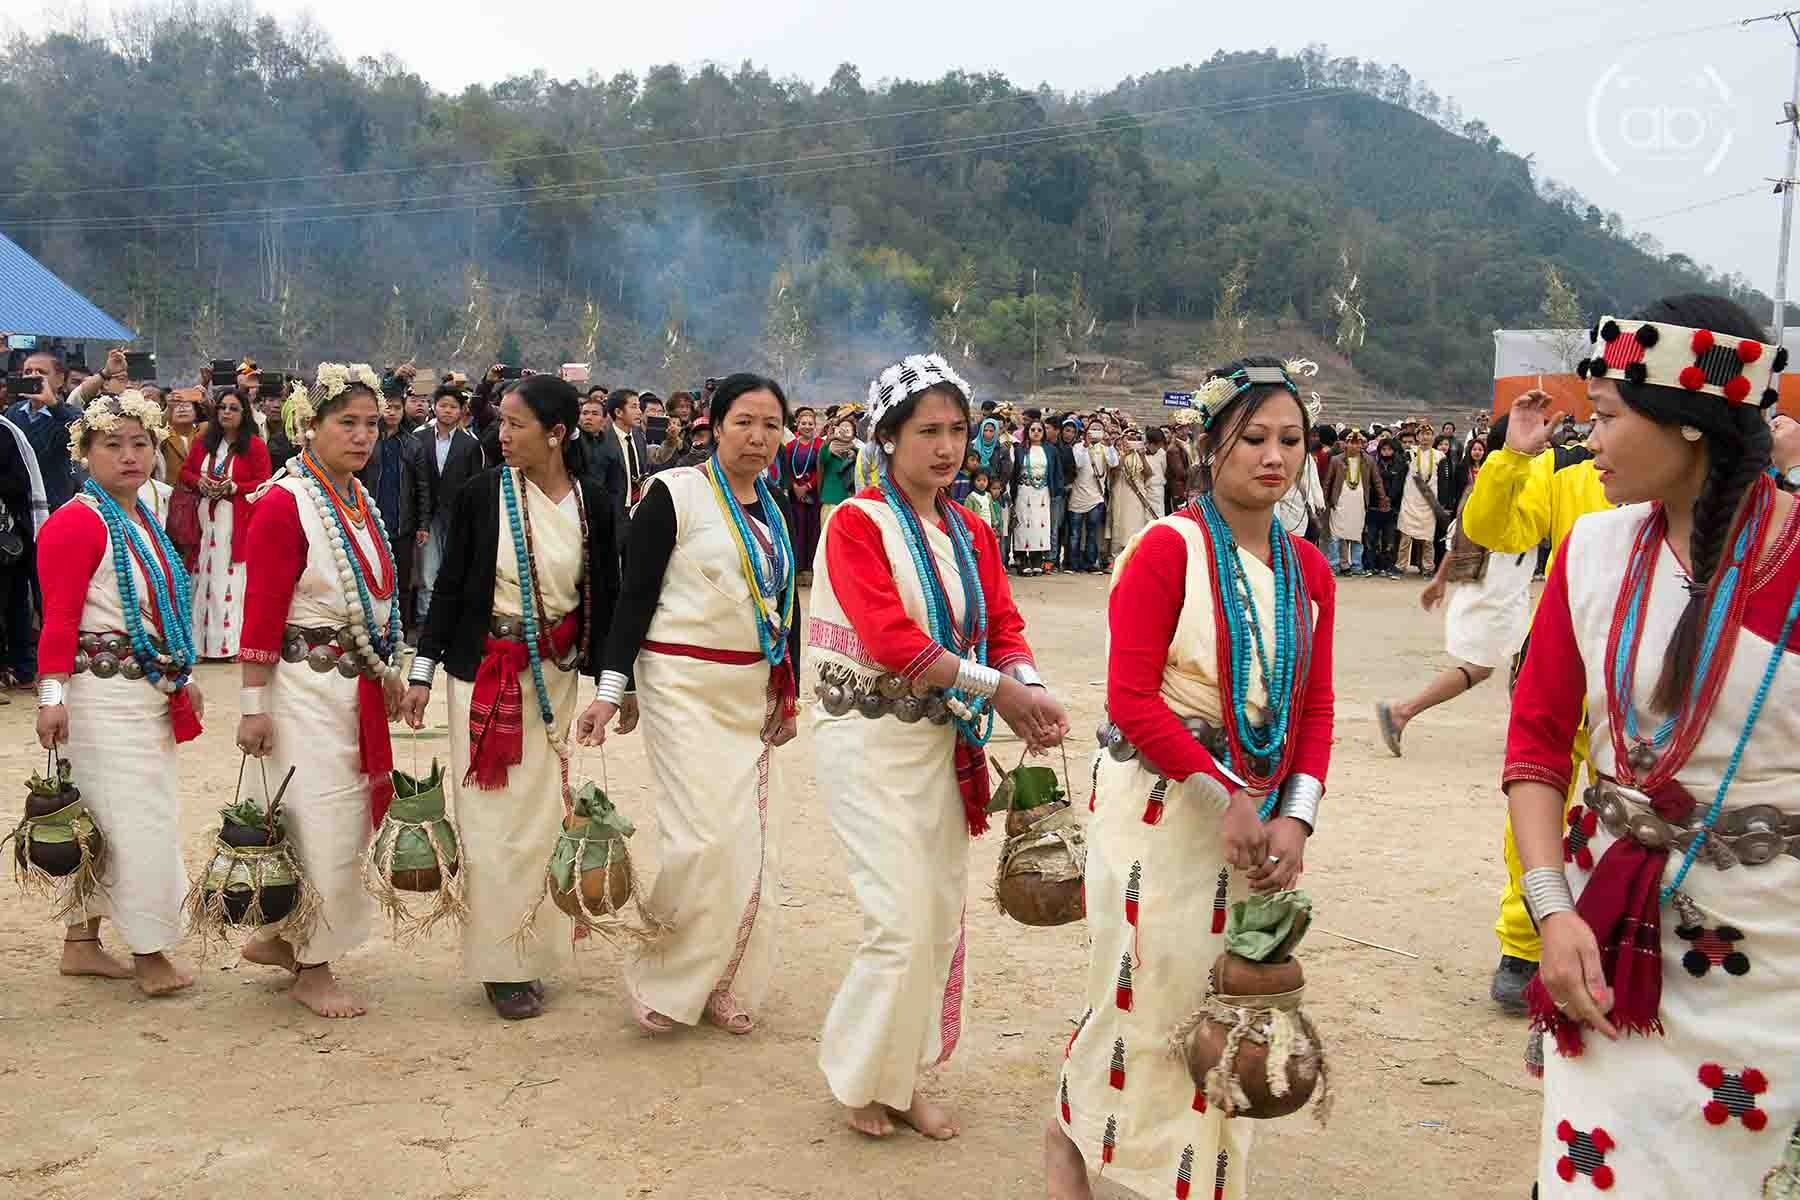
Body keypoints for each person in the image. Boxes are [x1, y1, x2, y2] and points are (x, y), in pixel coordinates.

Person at [1502, 296, 1800, 1198]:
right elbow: (1538, 747)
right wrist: (1553, 912)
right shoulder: (1592, 549)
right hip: (1611, 943)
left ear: (1691, 426)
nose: (1586, 440)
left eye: (1605, 417)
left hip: (1778, 957)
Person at [1045, 357, 1334, 1200]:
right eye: (1254, 439)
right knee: (1144, 987)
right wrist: (1225, 796)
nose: (1273, 457)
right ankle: (1072, 1131)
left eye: (1290, 440)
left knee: (1225, 1005)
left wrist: (1297, 819)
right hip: (1161, 810)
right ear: (1212, 446)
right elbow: (1132, 701)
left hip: (1258, 817)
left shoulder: (1310, 570)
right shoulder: (1165, 549)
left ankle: (1197, 1181)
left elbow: (1313, 713)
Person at [810, 353, 1068, 1140]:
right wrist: (1003, 692)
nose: (947, 446)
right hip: (863, 738)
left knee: (939, 915)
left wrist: (1026, 684)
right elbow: (891, 639)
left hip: (939, 740)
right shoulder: (858, 522)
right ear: (887, 439)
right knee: (897, 917)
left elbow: (1004, 621)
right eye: (928, 431)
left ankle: (905, 1074)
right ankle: (861, 1077)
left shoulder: (974, 529)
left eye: (958, 430)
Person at [576, 373, 800, 1037]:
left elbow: (782, 607)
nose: (759, 437)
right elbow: (633, 596)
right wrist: (612, 689)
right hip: (681, 686)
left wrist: (786, 692)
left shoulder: (776, 509)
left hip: (749, 692)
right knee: (699, 843)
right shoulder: (674, 495)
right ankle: (664, 977)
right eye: (744, 422)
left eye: (770, 424)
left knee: (750, 846)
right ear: (713, 425)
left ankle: (722, 980)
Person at [401, 375, 620, 1020]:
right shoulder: (478, 496)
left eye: (517, 425)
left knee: (540, 819)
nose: (503, 435)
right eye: (500, 423)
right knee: (491, 818)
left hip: (553, 673)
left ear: (556, 434)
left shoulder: (595, 506)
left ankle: (537, 950)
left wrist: (612, 687)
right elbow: (447, 591)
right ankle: (502, 964)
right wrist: (421, 671)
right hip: (483, 675)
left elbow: (606, 599)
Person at [235, 363, 402, 1019]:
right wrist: (253, 709)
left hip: (352, 682)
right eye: (347, 424)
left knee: (341, 816)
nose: (362, 437)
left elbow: (376, 603)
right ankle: (313, 965)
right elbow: (262, 612)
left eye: (371, 425)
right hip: (302, 688)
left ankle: (280, 937)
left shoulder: (358, 501)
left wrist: (387, 670)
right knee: (321, 820)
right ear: (310, 425)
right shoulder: (285, 501)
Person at [34, 388, 203, 996]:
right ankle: (150, 950)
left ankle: (81, 942)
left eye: (141, 443)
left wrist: (183, 678)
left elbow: (165, 613)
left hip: (145, 692)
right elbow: (58, 617)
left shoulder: (141, 518)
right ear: (85, 452)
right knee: (136, 821)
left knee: (109, 817)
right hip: (100, 698)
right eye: (113, 444)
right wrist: (51, 694)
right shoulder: (75, 522)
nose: (130, 455)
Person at [1462, 387, 1611, 1011]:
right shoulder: (1569, 470)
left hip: (1660, 680)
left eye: (1612, 417)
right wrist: (1512, 458)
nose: (1599, 435)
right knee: (1536, 799)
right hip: (1563, 664)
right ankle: (1524, 944)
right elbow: (1493, 528)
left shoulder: (1733, 492)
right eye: (1600, 417)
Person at [1376, 419, 1532, 756]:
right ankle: (1402, 711)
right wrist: (1440, 579)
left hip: (1509, 583)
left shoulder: (1515, 477)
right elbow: (1464, 532)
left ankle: (1522, 731)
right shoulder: (1496, 482)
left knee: (1521, 659)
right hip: (1498, 585)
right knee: (1482, 666)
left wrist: (1439, 580)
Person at [181, 387, 271, 661]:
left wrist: (234, 487)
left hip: (235, 524)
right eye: (222, 408)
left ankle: (231, 647)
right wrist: (200, 482)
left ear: (244, 413)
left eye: (233, 408)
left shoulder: (254, 446)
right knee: (201, 579)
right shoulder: (203, 442)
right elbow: (186, 471)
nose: (226, 413)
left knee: (229, 581)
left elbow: (264, 482)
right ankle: (198, 646)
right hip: (204, 521)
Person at [408, 385, 484, 627]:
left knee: (452, 569)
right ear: (434, 406)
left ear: (461, 411)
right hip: (426, 514)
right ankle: (425, 623)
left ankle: (449, 623)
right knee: (428, 571)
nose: (448, 411)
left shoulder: (470, 443)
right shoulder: (419, 437)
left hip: (456, 514)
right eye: (443, 405)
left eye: (453, 407)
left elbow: (475, 482)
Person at [361, 378, 415, 638]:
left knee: (402, 581)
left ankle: (398, 631)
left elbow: (422, 486)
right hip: (372, 516)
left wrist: (423, 524)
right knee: (372, 575)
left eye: (397, 408)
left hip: (402, 521)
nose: (392, 412)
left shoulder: (412, 444)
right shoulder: (370, 441)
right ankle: (372, 627)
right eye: (388, 407)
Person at [6, 349, 83, 511]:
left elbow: (78, 434)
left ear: (60, 379)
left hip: (55, 502)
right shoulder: (14, 412)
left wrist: (52, 404)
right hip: (20, 503)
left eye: (41, 372)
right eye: (28, 372)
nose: (33, 376)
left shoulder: (70, 413)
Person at [1323, 427, 1382, 576]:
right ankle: (1334, 566)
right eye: (1352, 443)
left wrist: (1383, 497)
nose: (1355, 446)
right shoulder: (1336, 460)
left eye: (1358, 443)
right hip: (1340, 501)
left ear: (1362, 444)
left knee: (1357, 535)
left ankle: (1356, 565)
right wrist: (1324, 500)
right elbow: (1328, 481)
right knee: (1336, 535)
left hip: (1359, 502)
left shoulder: (1369, 460)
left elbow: (1377, 481)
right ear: (1346, 444)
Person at [783, 406, 826, 584]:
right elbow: (786, 468)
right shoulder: (790, 446)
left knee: (813, 530)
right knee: (797, 529)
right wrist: (794, 486)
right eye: (804, 423)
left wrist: (808, 486)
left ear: (815, 426)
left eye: (811, 424)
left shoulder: (820, 446)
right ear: (797, 425)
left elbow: (821, 469)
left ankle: (811, 569)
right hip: (795, 496)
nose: (807, 426)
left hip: (813, 495)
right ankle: (798, 569)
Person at [1067, 424, 1117, 574]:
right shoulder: (1078, 446)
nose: (1095, 432)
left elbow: (1114, 463)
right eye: (1092, 429)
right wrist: (1086, 445)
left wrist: (1110, 445)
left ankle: (1090, 563)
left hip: (1096, 497)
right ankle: (1072, 564)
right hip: (1078, 494)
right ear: (1086, 431)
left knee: (1092, 532)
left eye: (1098, 429)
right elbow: (1078, 464)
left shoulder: (1105, 448)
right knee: (1075, 533)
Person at [1011, 420, 1058, 576]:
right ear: (1027, 431)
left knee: (1040, 525)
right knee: (1023, 524)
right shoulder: (1020, 449)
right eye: (1033, 429)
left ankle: (1037, 559)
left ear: (1044, 432)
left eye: (1039, 429)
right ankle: (1022, 560)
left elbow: (1056, 471)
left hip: (1042, 492)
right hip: (1024, 491)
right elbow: (1014, 471)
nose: (1036, 432)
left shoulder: (1050, 450)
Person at [1396, 431, 1445, 576]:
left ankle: (1428, 567)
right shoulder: (1410, 453)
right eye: (1422, 434)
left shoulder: (1439, 455)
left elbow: (1443, 480)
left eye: (1428, 433)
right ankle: (1400, 565)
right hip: (1411, 498)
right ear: (1417, 436)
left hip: (1429, 500)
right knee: (1405, 536)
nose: (1425, 437)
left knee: (1428, 538)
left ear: (1433, 436)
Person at [1109, 428, 1164, 548]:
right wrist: (1123, 456)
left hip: (1137, 495)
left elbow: (1149, 474)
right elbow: (1114, 473)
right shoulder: (1116, 453)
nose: (1131, 441)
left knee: (1136, 524)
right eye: (1128, 438)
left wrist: (1142, 457)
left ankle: (1134, 551)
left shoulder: (1140, 454)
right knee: (1120, 522)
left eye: (1134, 438)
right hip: (1121, 492)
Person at [1369, 434, 1407, 577]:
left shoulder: (1400, 465)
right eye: (1383, 449)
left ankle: (1388, 566)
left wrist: (1389, 499)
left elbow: (1399, 485)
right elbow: (1371, 483)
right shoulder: (1373, 463)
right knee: (1371, 538)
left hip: (1392, 507)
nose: (1386, 452)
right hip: (1374, 506)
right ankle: (1371, 566)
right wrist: (1379, 499)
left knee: (1389, 539)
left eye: (1389, 449)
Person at [819, 414, 860, 528]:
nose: (844, 432)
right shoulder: (829, 450)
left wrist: (855, 455)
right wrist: (829, 440)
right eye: (841, 428)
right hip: (830, 501)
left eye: (848, 429)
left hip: (850, 503)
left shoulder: (858, 453)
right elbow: (822, 459)